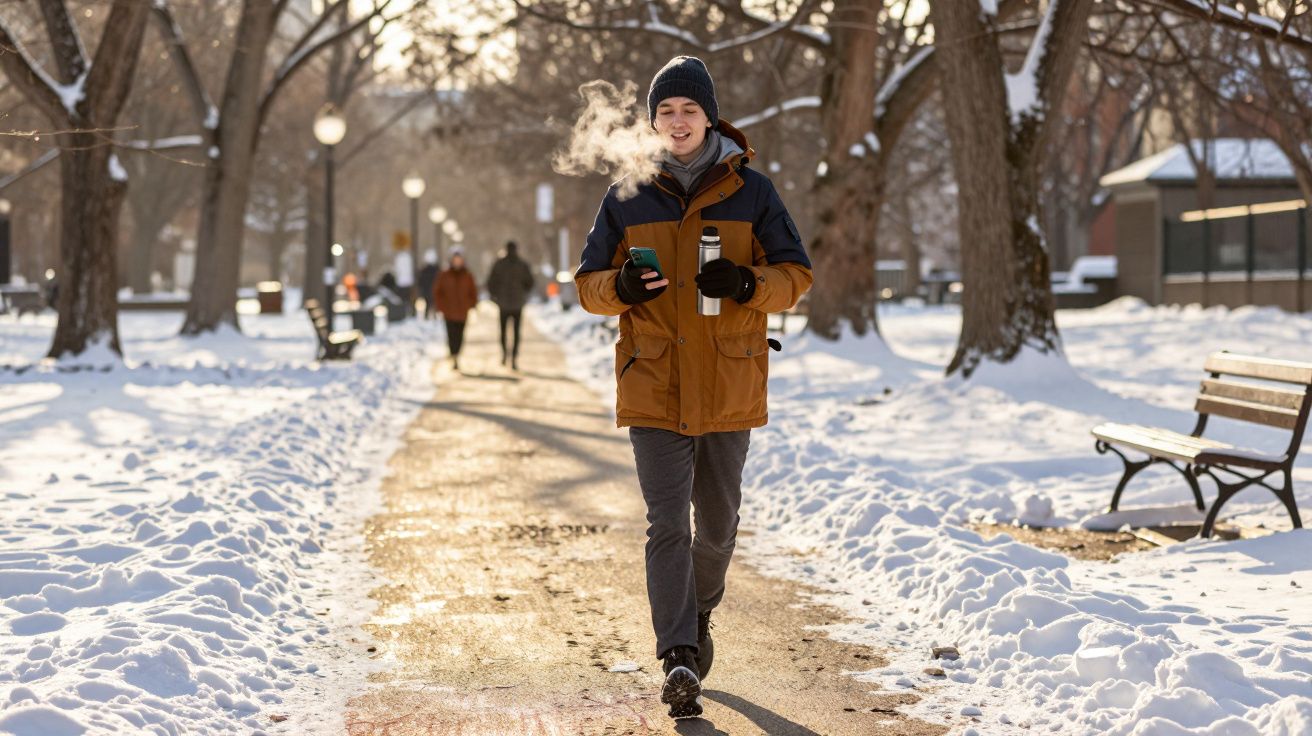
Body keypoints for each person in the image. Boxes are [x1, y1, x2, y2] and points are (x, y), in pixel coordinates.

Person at [574, 56, 812, 720]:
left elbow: (796, 275)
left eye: (688, 111)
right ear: (652, 122)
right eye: (665, 112)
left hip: (729, 382)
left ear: (710, 117)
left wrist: (747, 285)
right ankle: (677, 653)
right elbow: (589, 284)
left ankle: (700, 608)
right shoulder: (627, 195)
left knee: (719, 527)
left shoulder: (753, 193)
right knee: (666, 524)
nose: (677, 123)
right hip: (653, 382)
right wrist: (617, 288)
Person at [486, 240, 535, 370]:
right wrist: (523, 293)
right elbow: (530, 282)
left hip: (503, 303)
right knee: (516, 332)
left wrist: (495, 296)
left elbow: (491, 282)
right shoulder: (522, 264)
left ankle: (504, 354)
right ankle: (513, 357)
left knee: (503, 331)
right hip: (518, 303)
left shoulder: (499, 264)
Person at [432, 248, 479, 371]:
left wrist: (472, 304)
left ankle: (457, 354)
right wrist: (441, 306)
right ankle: (454, 357)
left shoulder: (467, 275)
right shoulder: (444, 275)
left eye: (459, 260)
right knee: (451, 335)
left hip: (463, 311)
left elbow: (473, 291)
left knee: (460, 335)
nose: (457, 262)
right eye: (455, 260)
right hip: (449, 311)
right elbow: (438, 292)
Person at [418, 251, 439, 320]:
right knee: (430, 305)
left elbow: (420, 282)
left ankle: (430, 317)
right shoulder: (436, 270)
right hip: (429, 291)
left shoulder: (426, 270)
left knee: (431, 305)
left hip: (429, 291)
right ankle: (429, 318)